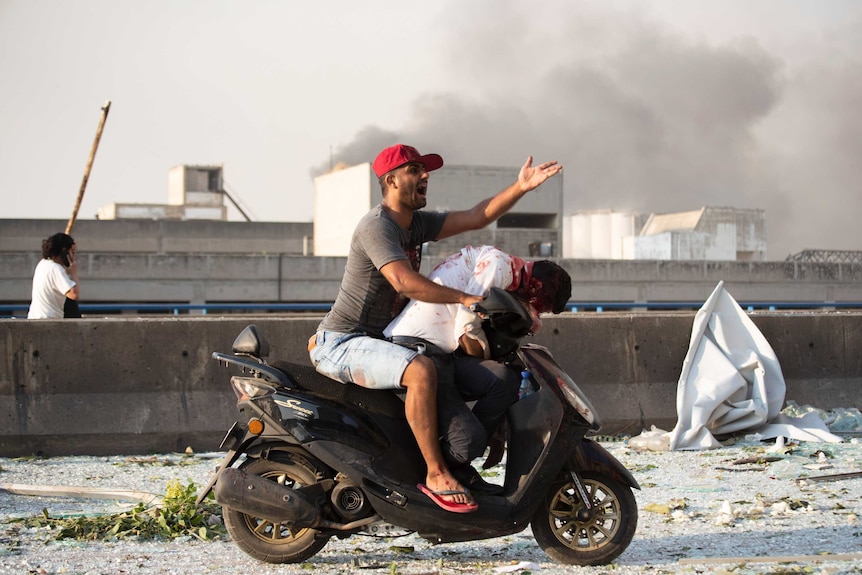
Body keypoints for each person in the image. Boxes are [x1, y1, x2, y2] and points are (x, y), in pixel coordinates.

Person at [309, 143, 562, 513]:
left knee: (500, 380)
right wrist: (463, 299)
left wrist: (520, 187)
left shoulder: (416, 224)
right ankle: (435, 472)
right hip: (343, 342)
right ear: (391, 180)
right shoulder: (377, 226)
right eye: (415, 170)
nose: (425, 176)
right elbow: (404, 282)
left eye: (425, 170)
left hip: (379, 341)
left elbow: (477, 216)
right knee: (422, 370)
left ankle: (461, 466)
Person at [384, 245, 572, 492]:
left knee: (504, 380)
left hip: (442, 352)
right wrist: (489, 353)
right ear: (535, 287)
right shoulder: (498, 267)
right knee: (469, 443)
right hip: (419, 349)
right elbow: (466, 332)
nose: (535, 311)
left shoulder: (507, 273)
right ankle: (431, 472)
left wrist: (495, 426)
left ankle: (459, 461)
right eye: (539, 305)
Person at [28, 233, 80, 320]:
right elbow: (74, 294)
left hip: (35, 317)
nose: (73, 257)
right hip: (48, 320)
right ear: (65, 251)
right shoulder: (56, 269)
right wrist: (74, 273)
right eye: (72, 252)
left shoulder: (43, 264)